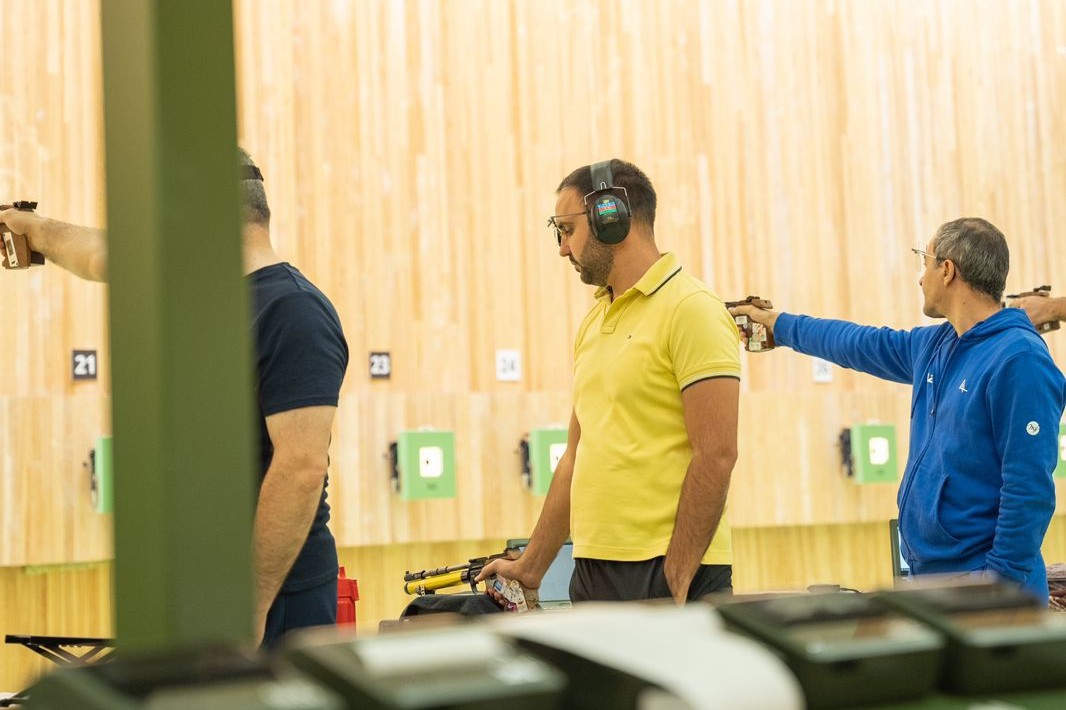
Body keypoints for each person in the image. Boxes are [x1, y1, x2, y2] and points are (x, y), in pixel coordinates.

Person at [0, 148, 349, 644]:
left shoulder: (293, 310)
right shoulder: (205, 290)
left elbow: (301, 467)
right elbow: (101, 253)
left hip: (276, 594)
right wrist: (30, 227)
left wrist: (250, 603)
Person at [731, 218, 1066, 603]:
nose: (920, 278)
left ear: (947, 269)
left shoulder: (1020, 359)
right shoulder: (937, 346)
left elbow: (1029, 490)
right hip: (938, 584)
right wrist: (781, 326)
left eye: (924, 262)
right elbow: (857, 343)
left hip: (987, 594)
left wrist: (999, 587)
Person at [479, 159, 741, 604]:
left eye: (566, 229)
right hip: (594, 567)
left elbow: (716, 454)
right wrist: (531, 567)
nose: (563, 248)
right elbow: (577, 457)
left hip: (669, 569)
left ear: (611, 217)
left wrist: (676, 575)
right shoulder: (593, 322)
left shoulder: (692, 309)